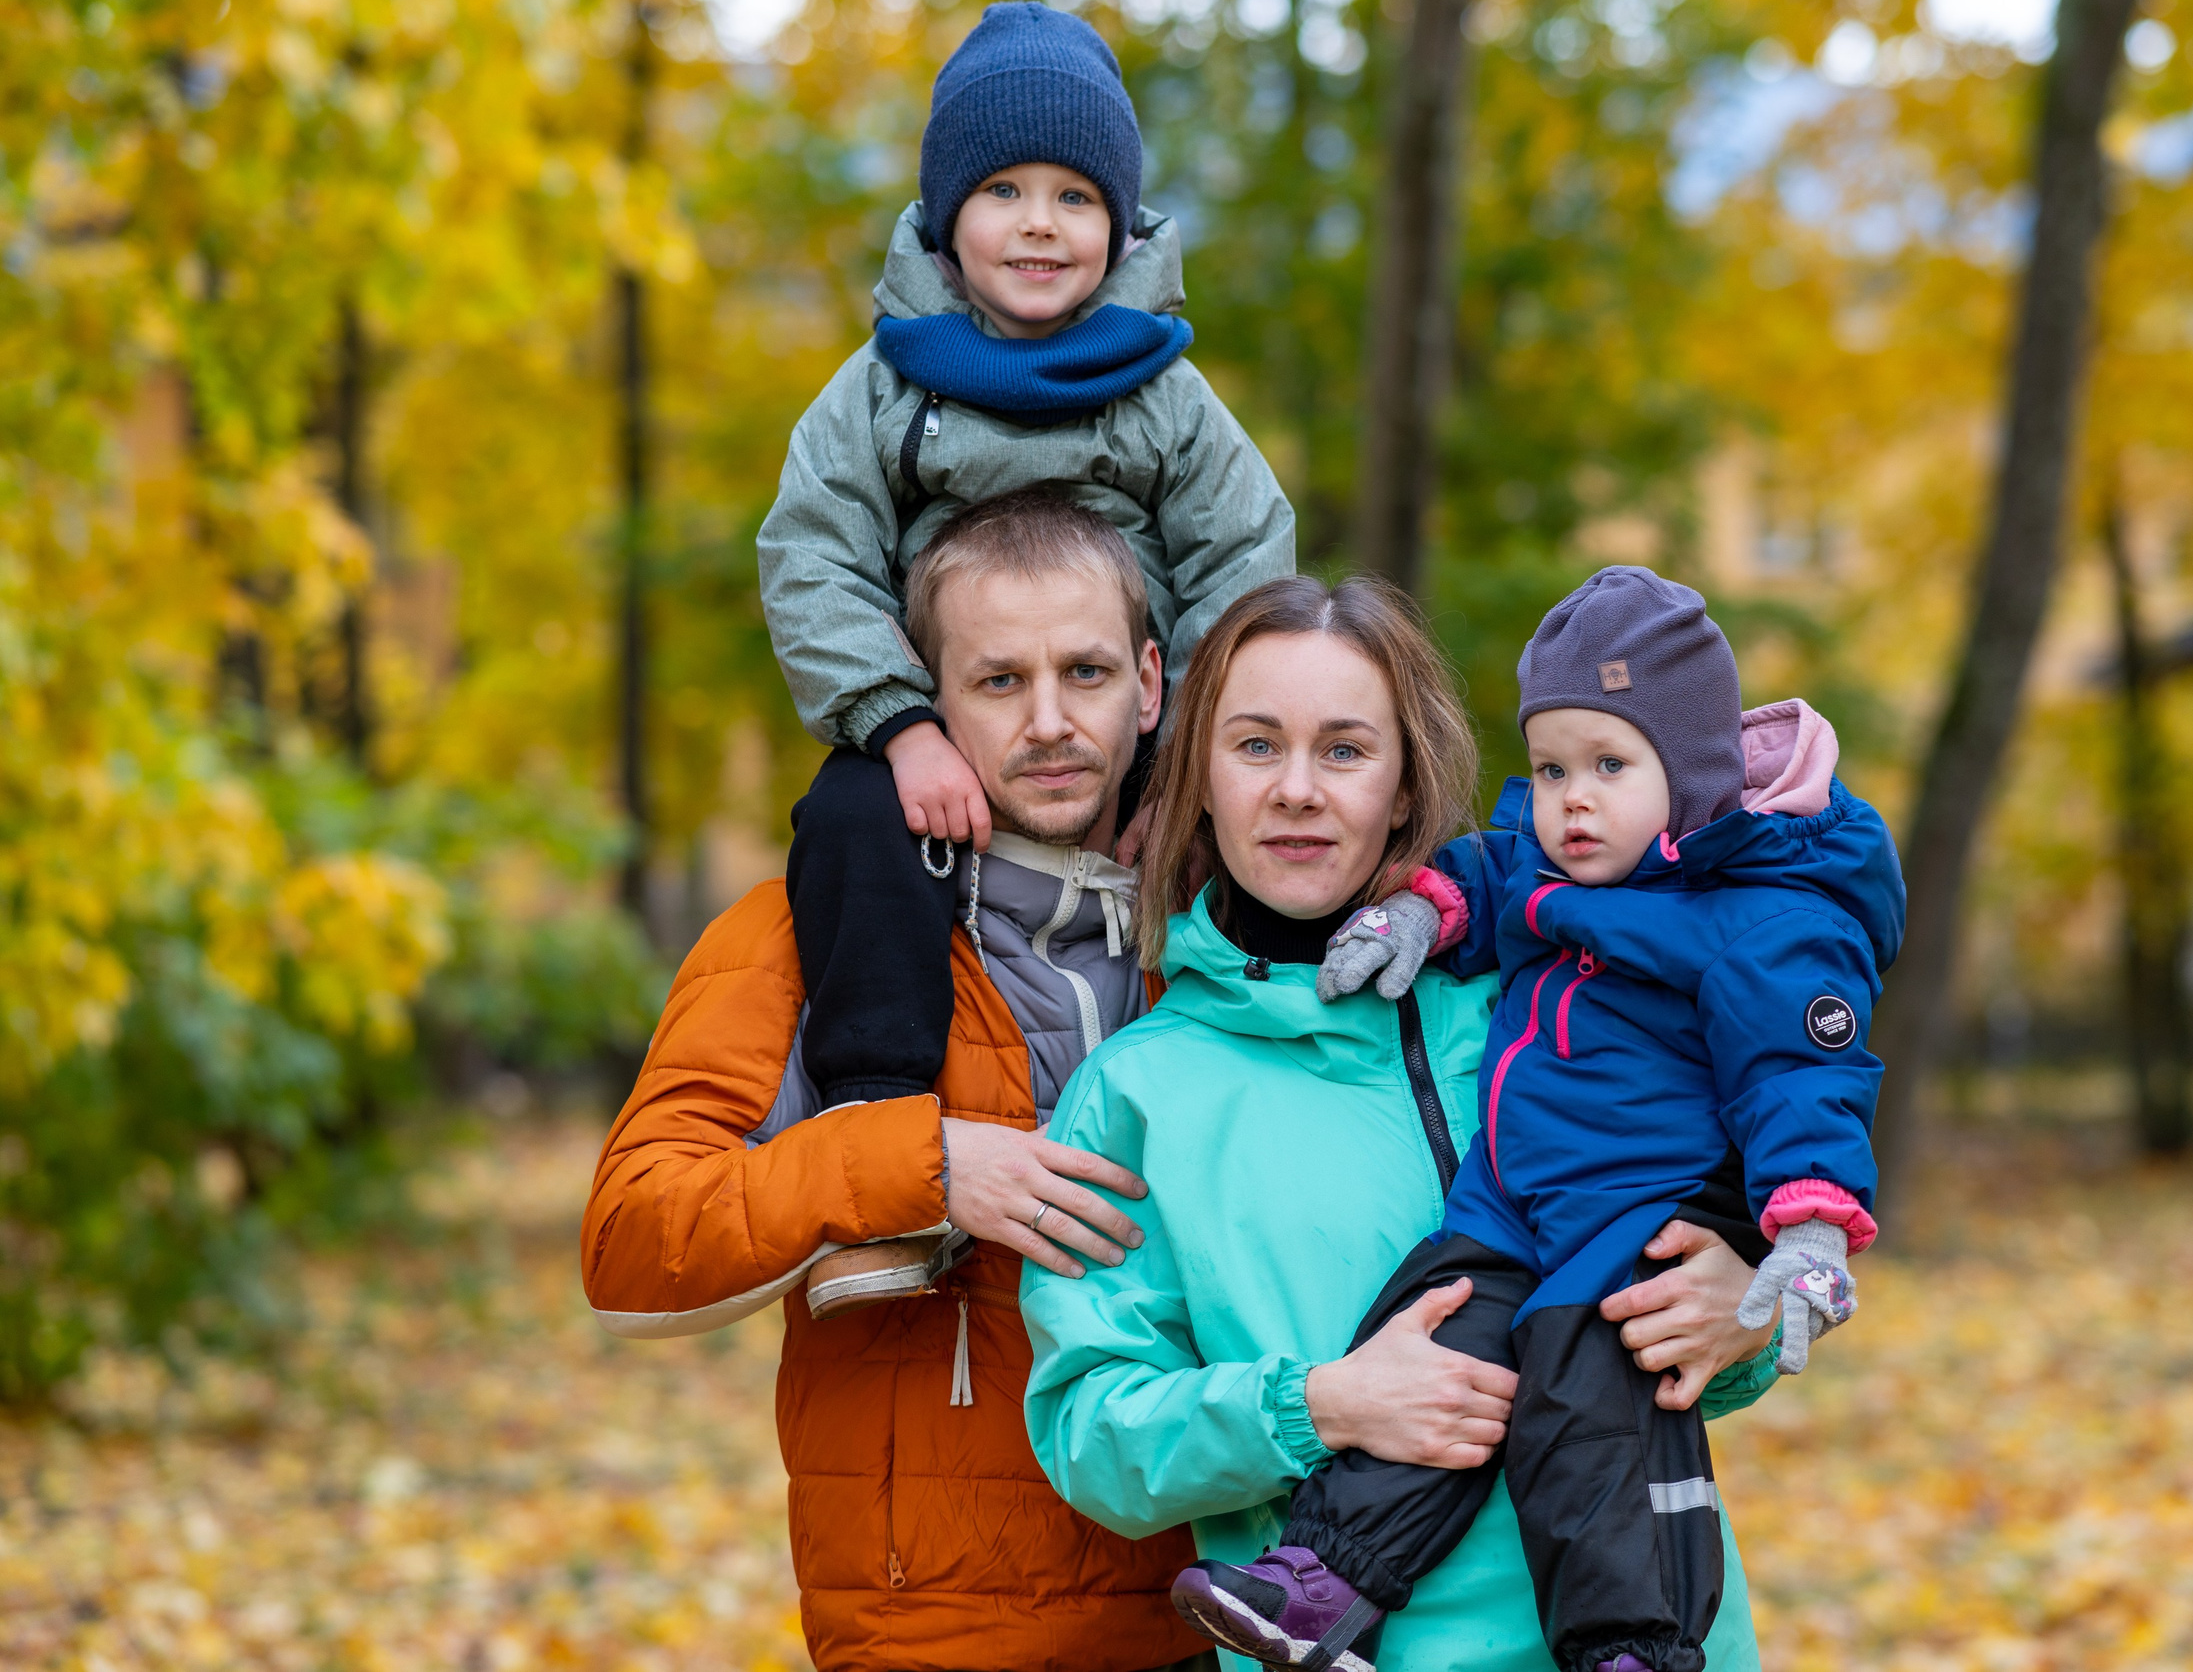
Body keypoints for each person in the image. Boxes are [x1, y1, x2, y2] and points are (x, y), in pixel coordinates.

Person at [1020, 575, 1784, 1672]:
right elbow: (1091, 1434)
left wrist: (1745, 1314)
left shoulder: (1557, 1001)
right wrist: (1318, 1407)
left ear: (1404, 783)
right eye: (1255, 746)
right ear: (1199, 780)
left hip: (1657, 1639)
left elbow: (1706, 1313)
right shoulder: (1136, 1093)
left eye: (1343, 750)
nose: (1297, 790)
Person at [1172, 566, 1907, 1672]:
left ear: (1693, 778)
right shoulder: (1555, 864)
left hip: (1633, 1214)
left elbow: (1802, 1074)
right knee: (1425, 1343)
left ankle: (1631, 1644)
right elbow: (1484, 874)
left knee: (1586, 1413)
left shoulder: (1761, 919)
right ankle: (1322, 1583)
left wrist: (1804, 1234)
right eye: (1552, 766)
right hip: (1511, 1208)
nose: (1571, 799)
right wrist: (1419, 915)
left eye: (1609, 765)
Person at [584, 495, 1216, 1672]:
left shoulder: (1228, 937)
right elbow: (631, 1243)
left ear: (1148, 684)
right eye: (998, 682)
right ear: (925, 701)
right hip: (929, 1630)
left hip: (1215, 1611)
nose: (1049, 722)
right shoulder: (796, 938)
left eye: (1083, 673)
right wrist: (922, 1165)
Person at [759, 0, 1296, 1124]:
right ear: (947, 217)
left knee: (1261, 813)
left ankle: (1282, 1068)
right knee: (851, 817)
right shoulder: (886, 386)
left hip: (1122, 724)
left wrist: (1188, 753)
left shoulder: (1161, 390)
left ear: (1120, 224)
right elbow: (812, 552)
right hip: (950, 717)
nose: (1039, 224)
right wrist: (900, 725)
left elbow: (1245, 558)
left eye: (1075, 197)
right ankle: (875, 1100)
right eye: (1003, 191)